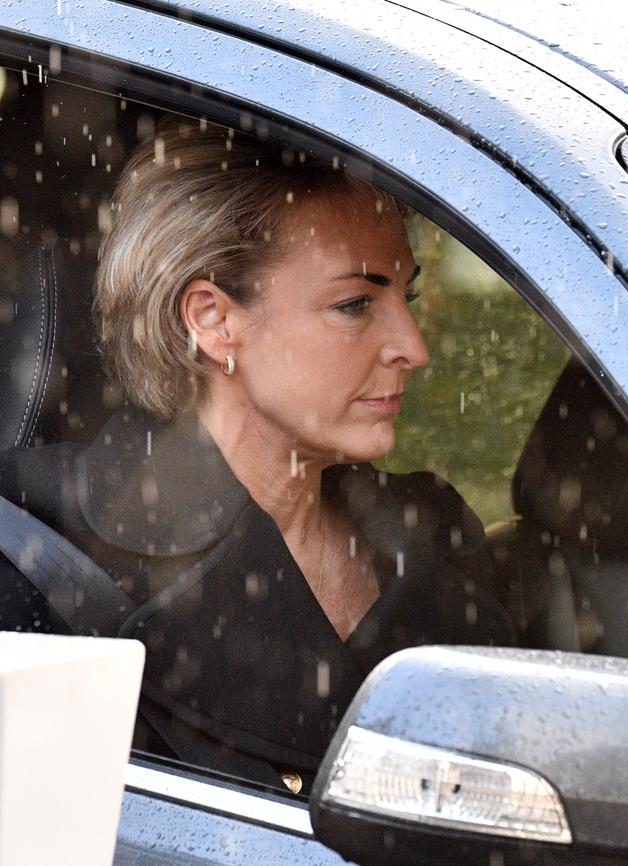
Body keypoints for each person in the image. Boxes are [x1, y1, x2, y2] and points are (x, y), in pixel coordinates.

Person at [0, 120, 514, 791]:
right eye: (356, 304)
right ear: (214, 321)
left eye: (405, 295)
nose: (413, 347)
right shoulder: (36, 550)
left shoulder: (431, 533)